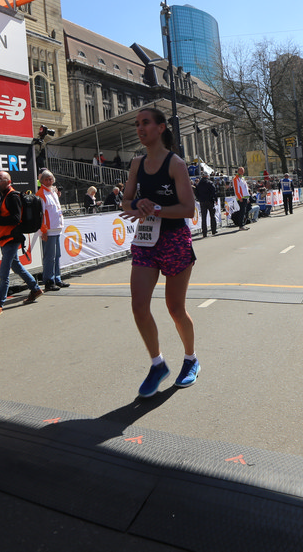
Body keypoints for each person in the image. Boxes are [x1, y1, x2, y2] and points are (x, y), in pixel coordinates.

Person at [120, 108, 199, 396]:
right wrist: (137, 205)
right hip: (145, 240)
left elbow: (188, 209)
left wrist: (155, 208)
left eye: (146, 123)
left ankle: (190, 359)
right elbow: (126, 202)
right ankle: (157, 364)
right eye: (137, 124)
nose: (140, 128)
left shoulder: (175, 163)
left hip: (174, 239)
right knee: (139, 306)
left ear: (161, 128)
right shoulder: (136, 163)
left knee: (175, 308)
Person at [0, 170, 44, 317]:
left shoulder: (13, 197)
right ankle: (35, 289)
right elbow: (5, 218)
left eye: (0, 180)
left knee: (3, 273)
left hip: (11, 239)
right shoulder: (2, 197)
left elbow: (15, 219)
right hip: (5, 238)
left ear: (8, 182)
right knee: (16, 266)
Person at [35, 170, 69, 291]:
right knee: (49, 257)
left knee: (57, 255)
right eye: (46, 179)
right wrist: (44, 230)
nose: (49, 181)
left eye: (50, 179)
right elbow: (41, 215)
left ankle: (57, 278)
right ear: (42, 181)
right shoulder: (41, 194)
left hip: (56, 228)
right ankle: (49, 281)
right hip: (49, 230)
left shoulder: (53, 192)